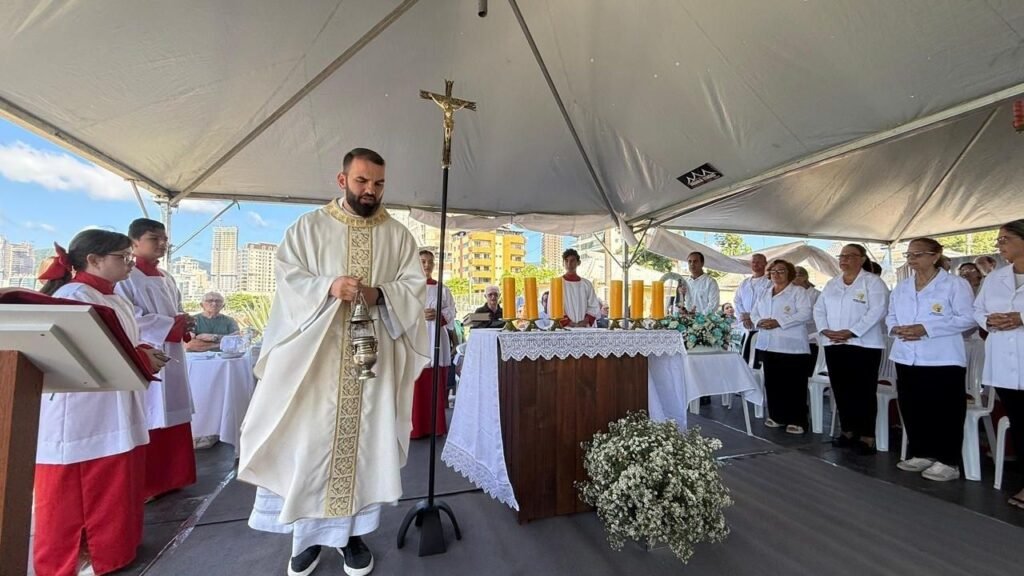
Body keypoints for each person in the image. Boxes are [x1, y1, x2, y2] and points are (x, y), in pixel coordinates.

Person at [238, 148, 428, 576]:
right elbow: (288, 278)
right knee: (309, 447)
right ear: (342, 181)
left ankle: (352, 537)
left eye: (378, 184)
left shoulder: (398, 236)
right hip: (315, 362)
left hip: (370, 361)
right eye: (362, 181)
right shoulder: (308, 228)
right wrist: (329, 286)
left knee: (363, 449)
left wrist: (378, 294)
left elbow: (413, 287)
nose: (370, 191)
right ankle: (305, 541)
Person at [33, 230, 167, 576]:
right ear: (93, 260)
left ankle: (115, 549)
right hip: (84, 411)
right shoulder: (74, 295)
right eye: (122, 258)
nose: (129, 265)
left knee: (116, 482)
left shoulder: (112, 296)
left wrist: (141, 353)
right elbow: (85, 354)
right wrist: (139, 359)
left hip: (115, 403)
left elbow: (120, 342)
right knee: (86, 488)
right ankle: (84, 559)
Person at [116, 218, 197, 500]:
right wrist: (170, 326)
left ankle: (174, 476)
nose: (162, 244)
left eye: (164, 239)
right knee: (151, 413)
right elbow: (129, 317)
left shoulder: (167, 276)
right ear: (135, 242)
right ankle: (149, 484)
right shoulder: (126, 277)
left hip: (172, 351)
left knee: (173, 410)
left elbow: (176, 308)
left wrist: (183, 322)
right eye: (154, 239)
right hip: (146, 350)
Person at [887, 237, 975, 481]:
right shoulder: (902, 287)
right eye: (909, 255)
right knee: (913, 405)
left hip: (942, 357)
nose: (912, 260)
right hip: (907, 355)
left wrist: (926, 328)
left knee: (945, 410)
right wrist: (896, 329)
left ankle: (948, 461)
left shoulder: (954, 285)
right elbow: (891, 315)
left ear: (935, 256)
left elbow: (968, 317)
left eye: (918, 254)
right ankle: (921, 453)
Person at [813, 245, 889, 454]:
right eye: (842, 256)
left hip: (863, 345)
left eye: (850, 256)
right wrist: (826, 330)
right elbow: (819, 309)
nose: (844, 259)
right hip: (834, 343)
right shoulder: (832, 284)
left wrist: (853, 331)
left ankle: (866, 435)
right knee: (841, 388)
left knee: (862, 390)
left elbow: (878, 310)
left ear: (863, 259)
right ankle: (847, 430)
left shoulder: (872, 282)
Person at [973, 220, 1024, 508]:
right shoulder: (995, 277)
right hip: (1004, 363)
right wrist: (990, 321)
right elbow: (978, 310)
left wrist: (1021, 318)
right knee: (1020, 424)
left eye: (1005, 238)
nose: (999, 244)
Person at [751, 259, 813, 434]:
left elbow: (805, 313)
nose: (776, 274)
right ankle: (777, 416)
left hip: (791, 346)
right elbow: (754, 312)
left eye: (781, 271)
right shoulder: (764, 292)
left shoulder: (798, 292)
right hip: (768, 344)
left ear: (789, 273)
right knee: (773, 383)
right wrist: (759, 321)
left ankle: (797, 420)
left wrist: (779, 322)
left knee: (794, 384)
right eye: (773, 271)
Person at [411, 250, 455, 439]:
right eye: (423, 261)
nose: (427, 265)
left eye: (430, 262)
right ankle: (417, 428)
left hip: (437, 338)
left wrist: (439, 316)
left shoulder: (442, 289)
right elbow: (399, 310)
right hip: (416, 338)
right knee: (416, 385)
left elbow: (451, 311)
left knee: (435, 383)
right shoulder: (409, 288)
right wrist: (417, 315)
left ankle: (436, 426)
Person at [557, 248, 600, 327]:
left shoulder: (586, 284)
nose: (569, 264)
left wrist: (584, 322)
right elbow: (554, 307)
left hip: (584, 327)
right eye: (566, 261)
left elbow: (593, 306)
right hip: (564, 328)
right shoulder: (557, 284)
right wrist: (569, 323)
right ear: (563, 263)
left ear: (578, 263)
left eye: (572, 260)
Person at [793, 266, 821, 378]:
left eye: (795, 275)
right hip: (794, 338)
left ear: (804, 277)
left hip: (811, 338)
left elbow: (817, 315)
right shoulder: (791, 294)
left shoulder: (816, 295)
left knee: (808, 371)